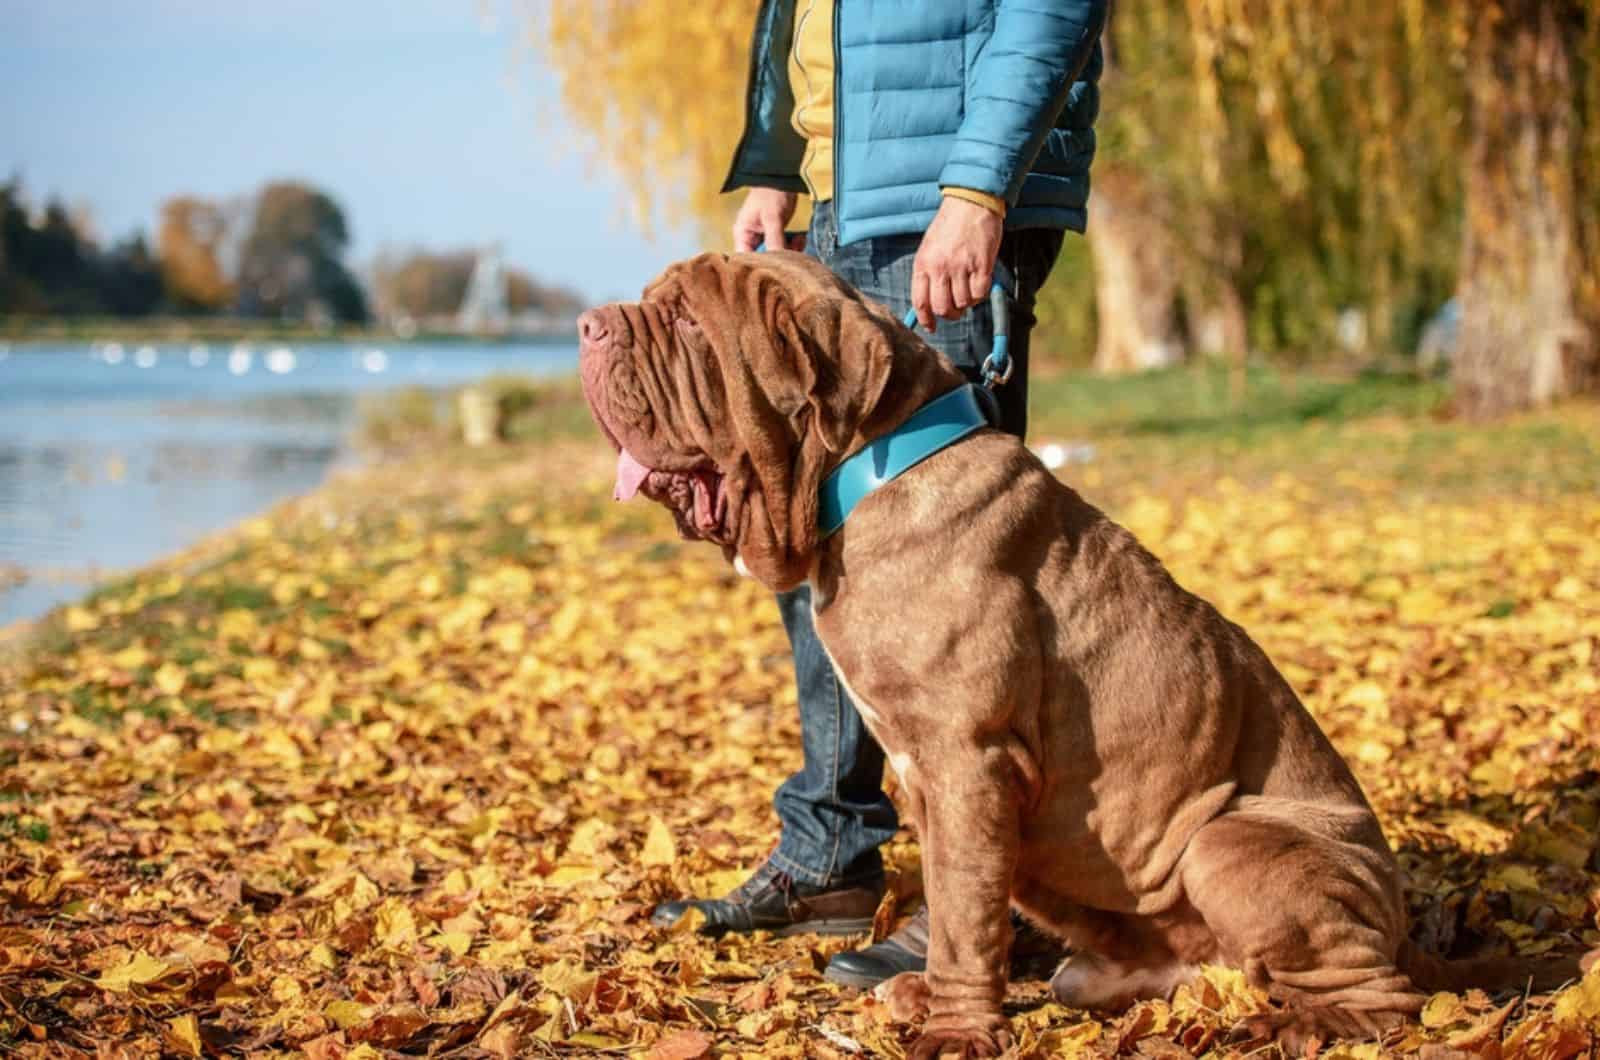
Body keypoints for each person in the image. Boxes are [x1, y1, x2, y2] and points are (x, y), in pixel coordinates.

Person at [650, 0, 1107, 989]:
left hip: (938, 205)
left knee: (949, 577)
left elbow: (1049, 12)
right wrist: (776, 160)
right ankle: (829, 853)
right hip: (842, 207)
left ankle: (992, 902)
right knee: (808, 524)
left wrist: (978, 190)